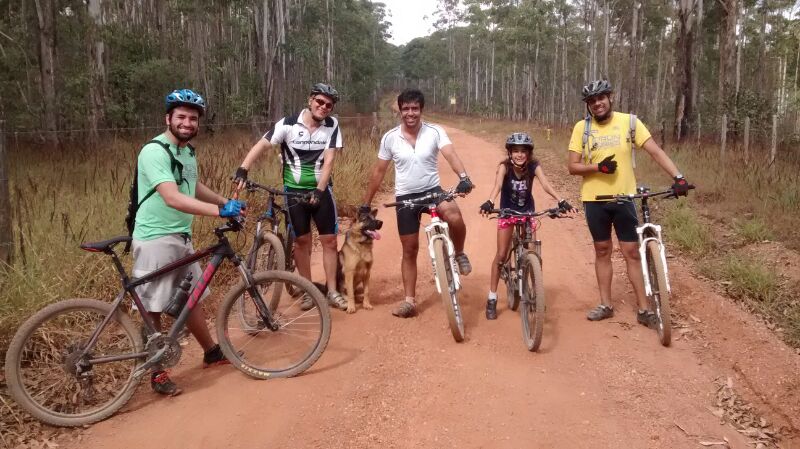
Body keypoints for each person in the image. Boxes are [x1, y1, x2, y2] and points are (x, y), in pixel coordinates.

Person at [131, 89, 245, 396]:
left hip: (181, 236)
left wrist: (226, 201)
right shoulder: (154, 151)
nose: (187, 122)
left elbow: (191, 187)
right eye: (181, 116)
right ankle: (156, 373)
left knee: (192, 296)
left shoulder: (187, 151)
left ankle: (210, 352)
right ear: (168, 118)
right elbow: (172, 196)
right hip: (155, 237)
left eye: (192, 118)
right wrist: (219, 211)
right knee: (152, 307)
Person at [567, 79, 691, 326]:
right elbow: (572, 166)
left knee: (631, 252)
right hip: (594, 200)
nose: (597, 104)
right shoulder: (582, 127)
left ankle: (644, 310)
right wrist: (597, 167)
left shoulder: (630, 123)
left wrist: (678, 177)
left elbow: (654, 151)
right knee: (602, 251)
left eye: (601, 98)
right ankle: (605, 304)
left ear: (610, 97)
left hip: (624, 198)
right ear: (588, 106)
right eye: (592, 101)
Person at [233, 83, 347, 311]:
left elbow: (329, 161)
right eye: (320, 102)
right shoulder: (287, 124)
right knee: (301, 242)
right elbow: (262, 145)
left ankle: (332, 291)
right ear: (310, 100)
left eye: (329, 105)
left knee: (330, 241)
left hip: (321, 191)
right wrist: (243, 168)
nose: (324, 107)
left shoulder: (332, 125)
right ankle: (308, 291)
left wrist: (320, 190)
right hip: (293, 192)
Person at [361, 88, 474, 318]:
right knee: (409, 250)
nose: (410, 113)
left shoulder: (434, 132)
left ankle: (459, 252)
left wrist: (464, 177)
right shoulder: (390, 138)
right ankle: (409, 301)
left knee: (454, 217)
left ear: (421, 110)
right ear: (399, 111)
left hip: (433, 191)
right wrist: (366, 202)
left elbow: (450, 154)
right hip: (406, 198)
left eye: (414, 108)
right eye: (406, 109)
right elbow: (379, 171)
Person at [479, 132, 573, 320]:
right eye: (515, 151)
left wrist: (560, 200)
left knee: (532, 252)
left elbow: (545, 184)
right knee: (501, 255)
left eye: (523, 151)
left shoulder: (534, 166)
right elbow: (497, 186)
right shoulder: (504, 167)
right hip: (507, 212)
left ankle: (533, 293)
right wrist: (490, 201)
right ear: (510, 153)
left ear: (529, 153)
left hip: (528, 212)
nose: (519, 155)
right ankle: (492, 297)